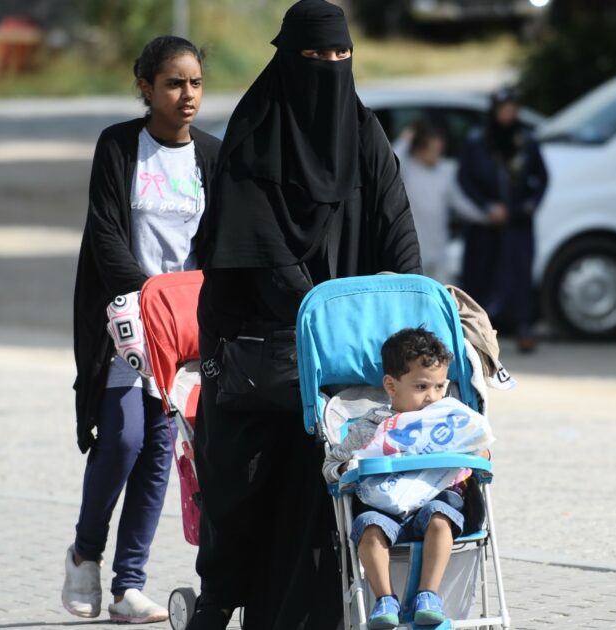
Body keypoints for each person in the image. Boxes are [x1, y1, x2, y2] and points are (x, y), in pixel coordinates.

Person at [189, 2, 422, 628]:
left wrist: (406, 300)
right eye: (316, 58)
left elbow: (397, 226)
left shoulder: (362, 130)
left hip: (345, 353)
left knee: (333, 491)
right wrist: (329, 322)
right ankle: (220, 601)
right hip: (261, 350)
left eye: (341, 57)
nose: (330, 69)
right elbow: (261, 256)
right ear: (289, 58)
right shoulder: (254, 135)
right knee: (249, 488)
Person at [66, 36, 220, 623]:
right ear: (147, 88)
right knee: (125, 438)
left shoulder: (212, 154)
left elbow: (218, 240)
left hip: (185, 325)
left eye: (195, 83)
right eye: (175, 83)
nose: (187, 95)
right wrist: (147, 294)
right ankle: (85, 551)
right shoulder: (119, 146)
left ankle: (128, 585)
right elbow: (105, 232)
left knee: (160, 453)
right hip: (126, 320)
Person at [322, 328, 469, 628]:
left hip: (433, 504)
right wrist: (348, 467)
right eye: (421, 387)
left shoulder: (448, 421)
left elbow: (479, 450)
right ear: (391, 385)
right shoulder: (372, 426)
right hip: (385, 509)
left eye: (440, 387)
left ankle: (428, 596)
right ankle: (384, 600)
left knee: (443, 519)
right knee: (368, 529)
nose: (433, 397)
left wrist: (479, 455)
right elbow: (331, 464)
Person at [457, 88, 548, 354]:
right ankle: (480, 334)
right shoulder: (478, 141)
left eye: (513, 109)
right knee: (482, 275)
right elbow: (465, 180)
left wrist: (525, 207)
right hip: (486, 224)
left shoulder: (526, 141)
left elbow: (541, 179)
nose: (509, 115)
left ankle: (523, 328)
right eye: (504, 109)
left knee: (519, 275)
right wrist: (486, 207)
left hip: (518, 223)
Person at [400, 119, 487, 284]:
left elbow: (461, 203)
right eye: (434, 149)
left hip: (439, 249)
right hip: (414, 248)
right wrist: (406, 139)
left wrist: (486, 215)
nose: (438, 154)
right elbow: (390, 160)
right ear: (421, 148)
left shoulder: (444, 172)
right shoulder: (406, 170)